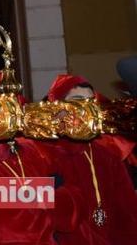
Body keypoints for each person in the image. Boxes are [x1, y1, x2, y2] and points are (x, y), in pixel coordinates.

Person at [42, 74, 137, 243]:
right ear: (57, 107)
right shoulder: (43, 153)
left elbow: (127, 213)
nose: (86, 110)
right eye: (78, 101)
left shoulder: (108, 153)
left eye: (91, 102)